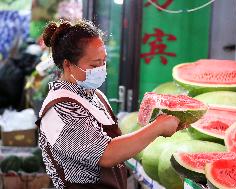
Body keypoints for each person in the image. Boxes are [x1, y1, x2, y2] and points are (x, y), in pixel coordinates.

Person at [37, 19, 180, 189]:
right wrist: (157, 127)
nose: (101, 69)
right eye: (94, 64)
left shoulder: (95, 95)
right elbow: (106, 154)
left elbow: (118, 145)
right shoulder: (59, 108)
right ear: (68, 65)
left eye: (104, 61)